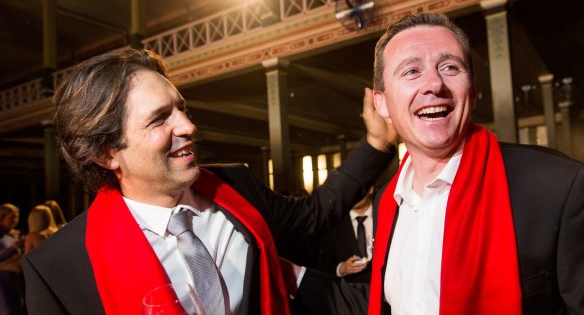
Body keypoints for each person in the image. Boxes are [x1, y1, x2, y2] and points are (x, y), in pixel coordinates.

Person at [22, 48, 397, 315]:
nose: (187, 127)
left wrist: (376, 144)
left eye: (180, 108)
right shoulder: (59, 268)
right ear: (106, 154)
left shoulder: (234, 187)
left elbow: (312, 217)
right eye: (159, 119)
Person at [296, 12, 584, 315]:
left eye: (450, 67)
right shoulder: (387, 202)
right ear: (382, 104)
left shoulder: (558, 188)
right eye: (411, 71)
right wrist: (288, 274)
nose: (434, 83)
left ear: (471, 93)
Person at [317, 186, 375, 284]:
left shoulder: (385, 215)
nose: (353, 195)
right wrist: (341, 268)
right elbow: (323, 264)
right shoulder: (333, 224)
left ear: (370, 189)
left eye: (357, 189)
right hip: (350, 291)